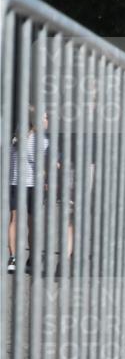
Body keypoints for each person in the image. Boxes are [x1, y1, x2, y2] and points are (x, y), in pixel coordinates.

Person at [7, 108, 48, 273]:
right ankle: (26, 259)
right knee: (30, 222)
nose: (47, 120)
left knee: (16, 221)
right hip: (30, 185)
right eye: (45, 117)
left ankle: (18, 258)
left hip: (16, 184)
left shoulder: (16, 139)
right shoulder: (40, 141)